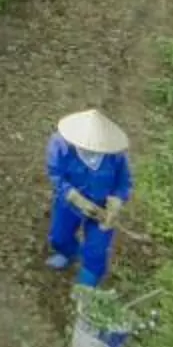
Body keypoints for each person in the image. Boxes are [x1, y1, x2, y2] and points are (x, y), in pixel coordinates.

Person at [44, 108, 133, 284]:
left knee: (97, 250)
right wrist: (74, 197)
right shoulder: (60, 146)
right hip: (70, 202)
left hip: (102, 209)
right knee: (60, 236)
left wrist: (116, 201)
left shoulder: (115, 156)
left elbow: (123, 182)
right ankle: (68, 253)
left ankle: (86, 288)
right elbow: (56, 174)